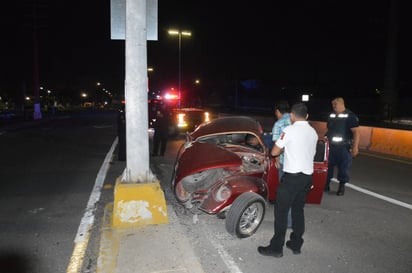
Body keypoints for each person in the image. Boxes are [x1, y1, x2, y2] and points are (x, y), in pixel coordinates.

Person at [258, 103, 318, 258]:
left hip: (292, 178)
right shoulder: (313, 132)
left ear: (292, 116)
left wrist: (285, 147)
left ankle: (276, 247)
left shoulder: (289, 130)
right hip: (307, 177)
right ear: (307, 116)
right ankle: (296, 243)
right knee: (298, 210)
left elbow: (274, 151)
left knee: (281, 212)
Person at [324, 97, 360, 196]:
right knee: (327, 167)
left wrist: (355, 147)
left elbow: (356, 132)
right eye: (333, 104)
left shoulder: (350, 116)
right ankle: (326, 185)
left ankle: (341, 186)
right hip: (330, 147)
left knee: (343, 169)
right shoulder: (331, 115)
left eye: (336, 104)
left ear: (342, 104)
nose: (334, 106)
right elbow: (329, 130)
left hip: (343, 147)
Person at [271, 101, 292, 227]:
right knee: (295, 195)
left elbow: (277, 145)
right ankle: (294, 221)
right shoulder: (297, 121)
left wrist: (277, 157)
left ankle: (286, 222)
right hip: (299, 164)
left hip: (285, 163)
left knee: (285, 194)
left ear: (277, 111)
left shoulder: (279, 124)